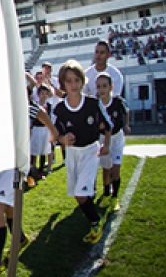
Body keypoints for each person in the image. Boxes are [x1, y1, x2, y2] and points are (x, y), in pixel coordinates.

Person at [53, 59, 113, 244]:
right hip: (72, 154)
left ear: (82, 81)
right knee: (77, 194)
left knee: (81, 193)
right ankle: (91, 195)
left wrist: (107, 145)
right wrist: (62, 139)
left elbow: (108, 126)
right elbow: (56, 134)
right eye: (68, 81)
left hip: (90, 151)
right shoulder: (59, 109)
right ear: (62, 84)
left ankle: (96, 222)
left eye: (76, 80)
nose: (73, 84)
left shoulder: (93, 104)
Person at [95, 72, 130, 213]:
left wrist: (126, 124)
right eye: (99, 86)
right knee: (106, 168)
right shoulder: (96, 105)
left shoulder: (118, 101)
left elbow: (127, 112)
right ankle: (106, 193)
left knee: (115, 168)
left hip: (116, 138)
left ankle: (115, 197)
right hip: (103, 139)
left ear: (111, 86)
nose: (102, 89)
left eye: (104, 86)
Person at [28, 84, 57, 185]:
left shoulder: (49, 106)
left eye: (46, 93)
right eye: (42, 93)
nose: (44, 95)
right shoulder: (34, 106)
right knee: (35, 149)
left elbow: (50, 118)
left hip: (45, 129)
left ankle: (41, 169)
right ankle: (33, 169)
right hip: (36, 129)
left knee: (44, 149)